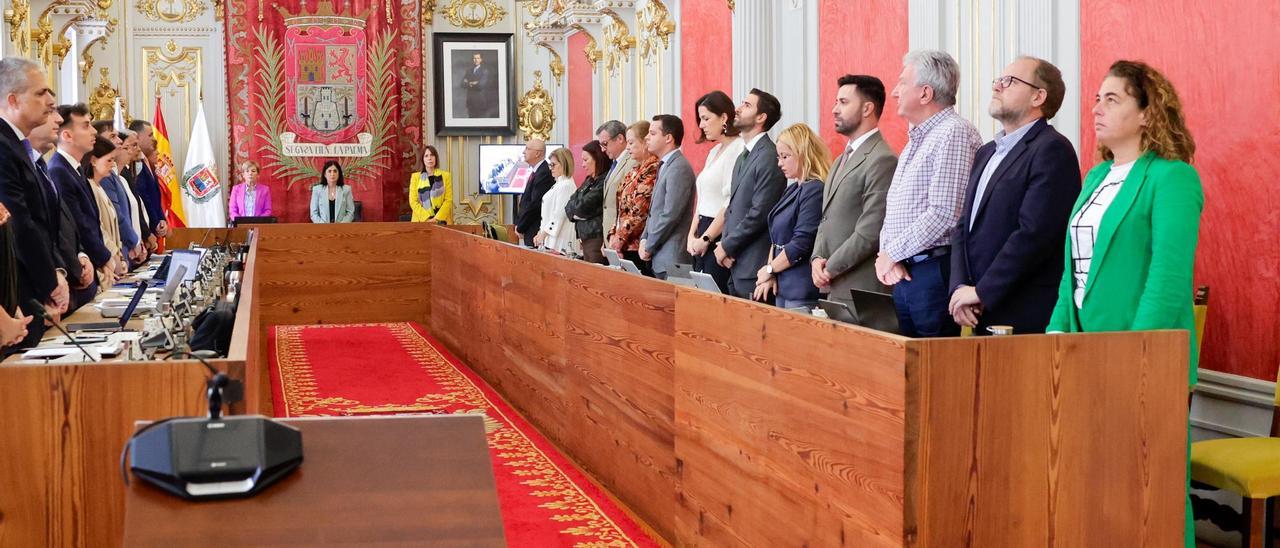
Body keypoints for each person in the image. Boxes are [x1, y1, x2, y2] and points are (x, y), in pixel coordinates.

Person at [1044, 60, 1202, 547]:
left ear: (1147, 113)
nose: (1097, 108)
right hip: (1082, 351)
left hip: (1144, 357)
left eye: (1113, 99)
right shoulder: (1095, 179)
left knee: (1153, 483)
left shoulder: (1172, 178)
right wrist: (1055, 334)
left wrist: (1135, 354)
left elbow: (1168, 278)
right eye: (1096, 98)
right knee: (1096, 482)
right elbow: (1073, 270)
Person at [948, 57, 1081, 335]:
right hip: (978, 308)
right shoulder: (986, 152)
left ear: (1038, 96)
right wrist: (961, 288)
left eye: (1009, 81)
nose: (997, 86)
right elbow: (963, 226)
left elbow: (1035, 234)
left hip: (1024, 310)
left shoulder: (1052, 149)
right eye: (998, 79)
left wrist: (983, 291)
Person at [878, 51, 982, 337]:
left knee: (934, 372)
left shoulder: (954, 132)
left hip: (934, 272)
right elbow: (895, 208)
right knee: (909, 371)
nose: (895, 91)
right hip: (906, 272)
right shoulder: (916, 139)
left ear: (925, 93)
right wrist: (888, 256)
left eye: (902, 83)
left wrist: (892, 253)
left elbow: (945, 213)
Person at [810, 75, 897, 329]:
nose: (835, 109)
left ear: (867, 108)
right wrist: (816, 258)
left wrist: (829, 268)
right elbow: (825, 219)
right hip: (833, 287)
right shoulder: (839, 160)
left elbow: (871, 230)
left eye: (843, 102)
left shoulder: (882, 159)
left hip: (861, 290)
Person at [0, 57, 61, 347]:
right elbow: (20, 223)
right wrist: (50, 284)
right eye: (40, 93)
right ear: (13, 100)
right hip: (17, 295)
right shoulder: (2, 145)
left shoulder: (16, 145)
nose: (51, 100)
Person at [715, 88, 787, 300]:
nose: (737, 108)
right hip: (735, 262)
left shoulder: (769, 156)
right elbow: (734, 208)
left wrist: (727, 246)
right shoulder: (743, 156)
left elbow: (759, 213)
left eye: (746, 105)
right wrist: (725, 247)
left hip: (753, 264)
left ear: (761, 117)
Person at [754, 123, 827, 309]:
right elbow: (776, 238)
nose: (780, 163)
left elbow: (801, 243)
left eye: (785, 157)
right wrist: (771, 273)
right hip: (783, 283)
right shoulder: (793, 189)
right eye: (779, 157)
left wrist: (770, 269)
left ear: (803, 153)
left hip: (800, 287)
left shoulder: (815, 189)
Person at [30, 107, 95, 311]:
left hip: (69, 276)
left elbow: (67, 225)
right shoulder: (56, 168)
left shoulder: (43, 167)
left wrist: (82, 255)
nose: (57, 119)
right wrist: (57, 273)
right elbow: (31, 230)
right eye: (48, 111)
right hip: (46, 289)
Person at [50, 103, 115, 286]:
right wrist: (103, 257)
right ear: (67, 135)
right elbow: (78, 224)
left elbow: (92, 220)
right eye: (86, 126)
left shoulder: (75, 169)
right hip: (79, 270)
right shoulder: (59, 171)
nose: (94, 131)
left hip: (90, 263)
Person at [685, 91, 742, 293]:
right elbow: (701, 201)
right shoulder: (713, 152)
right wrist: (692, 235)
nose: (701, 125)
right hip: (702, 229)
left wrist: (706, 239)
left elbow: (729, 203)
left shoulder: (738, 149)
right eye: (700, 119)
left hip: (717, 233)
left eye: (706, 118)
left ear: (724, 117)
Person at [639, 114, 696, 279]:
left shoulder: (679, 167)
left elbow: (671, 214)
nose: (646, 137)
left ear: (668, 138)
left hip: (672, 257)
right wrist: (644, 239)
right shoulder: (665, 164)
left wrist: (649, 245)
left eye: (652, 133)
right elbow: (653, 210)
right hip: (660, 254)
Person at [608, 120, 658, 276]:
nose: (627, 147)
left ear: (644, 142)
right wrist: (612, 235)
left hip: (637, 247)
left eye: (631, 142)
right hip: (623, 244)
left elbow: (639, 211)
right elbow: (621, 208)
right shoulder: (635, 169)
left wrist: (620, 239)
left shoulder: (653, 168)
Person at [80, 136, 127, 288]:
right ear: (93, 161)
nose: (113, 164)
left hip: (112, 260)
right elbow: (99, 228)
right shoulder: (90, 187)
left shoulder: (99, 187)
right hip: (104, 264)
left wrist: (119, 256)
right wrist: (113, 258)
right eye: (109, 160)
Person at [565, 140, 610, 264]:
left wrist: (576, 211)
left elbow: (582, 207)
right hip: (585, 237)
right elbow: (569, 205)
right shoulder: (589, 180)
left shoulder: (604, 180)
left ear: (598, 158)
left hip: (596, 238)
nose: (583, 165)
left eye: (586, 160)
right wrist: (576, 212)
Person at [597, 120, 635, 258]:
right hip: (612, 237)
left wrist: (618, 238)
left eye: (605, 144)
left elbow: (627, 206)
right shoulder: (615, 163)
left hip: (623, 241)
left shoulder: (632, 161)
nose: (602, 149)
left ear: (619, 139)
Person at [127, 119, 170, 241]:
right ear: (138, 137)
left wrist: (161, 219)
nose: (154, 139)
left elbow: (155, 197)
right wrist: (154, 224)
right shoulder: (134, 165)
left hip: (153, 230)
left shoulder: (146, 163)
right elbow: (142, 197)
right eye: (150, 135)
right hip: (143, 233)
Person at [533, 147, 577, 255]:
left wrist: (544, 233)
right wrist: (541, 231)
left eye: (553, 165)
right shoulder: (559, 184)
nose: (550, 168)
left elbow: (559, 214)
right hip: (552, 236)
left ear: (564, 164)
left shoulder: (566, 185)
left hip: (561, 238)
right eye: (550, 165)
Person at [514, 140, 553, 247]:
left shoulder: (544, 173)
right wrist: (518, 223)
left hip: (535, 229)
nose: (523, 152)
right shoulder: (538, 171)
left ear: (537, 153)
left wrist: (521, 226)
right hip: (530, 228)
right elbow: (525, 202)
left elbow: (535, 204)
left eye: (527, 149)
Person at [408, 145, 452, 224]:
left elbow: (448, 200)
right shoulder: (415, 177)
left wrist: (436, 219)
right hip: (421, 222)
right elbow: (413, 202)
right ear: (423, 159)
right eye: (426, 156)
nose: (429, 158)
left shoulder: (446, 176)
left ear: (436, 158)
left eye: (432, 155)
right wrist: (426, 218)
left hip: (442, 221)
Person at [461, 53, 496, 118]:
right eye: (474, 58)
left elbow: (480, 85)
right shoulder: (468, 71)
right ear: (472, 60)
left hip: (479, 101)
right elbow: (462, 84)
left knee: (479, 121)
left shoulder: (484, 71)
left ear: (481, 60)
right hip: (470, 101)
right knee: (471, 121)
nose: (476, 60)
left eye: (478, 58)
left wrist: (468, 83)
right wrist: (473, 83)